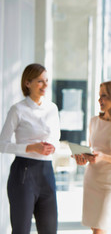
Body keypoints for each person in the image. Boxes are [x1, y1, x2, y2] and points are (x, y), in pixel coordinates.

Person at [0, 63, 60, 234]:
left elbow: (56, 137)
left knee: (49, 230)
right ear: (28, 83)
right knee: (21, 230)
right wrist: (30, 147)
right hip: (23, 173)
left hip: (47, 173)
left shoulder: (52, 108)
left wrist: (52, 146)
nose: (45, 85)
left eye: (47, 80)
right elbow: (2, 144)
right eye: (40, 81)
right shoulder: (17, 110)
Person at [73, 80, 111, 234]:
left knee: (100, 229)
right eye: (99, 96)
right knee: (95, 228)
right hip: (92, 180)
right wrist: (82, 158)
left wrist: (104, 157)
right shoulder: (94, 121)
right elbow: (93, 150)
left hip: (110, 184)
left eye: (104, 96)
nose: (100, 100)